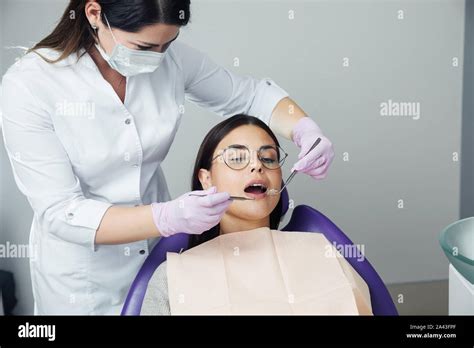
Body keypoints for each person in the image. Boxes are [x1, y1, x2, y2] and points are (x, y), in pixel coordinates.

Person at [1, 0, 334, 314]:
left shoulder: (170, 59)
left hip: (160, 250)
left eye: (167, 44)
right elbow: (62, 211)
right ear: (93, 14)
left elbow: (251, 95)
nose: (157, 59)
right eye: (144, 48)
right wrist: (167, 217)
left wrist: (305, 128)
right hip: (83, 273)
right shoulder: (29, 86)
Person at [141, 115, 370, 315]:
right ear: (206, 179)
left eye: (268, 158)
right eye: (237, 158)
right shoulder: (173, 278)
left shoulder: (323, 253)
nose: (257, 166)